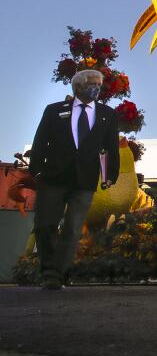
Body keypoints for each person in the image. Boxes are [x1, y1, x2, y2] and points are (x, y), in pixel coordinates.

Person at [27, 69, 120, 289]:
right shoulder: (54, 110)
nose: (96, 87)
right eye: (91, 83)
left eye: (99, 84)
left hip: (85, 180)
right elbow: (40, 141)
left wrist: (109, 176)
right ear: (78, 86)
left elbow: (110, 148)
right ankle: (49, 267)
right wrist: (37, 170)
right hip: (53, 177)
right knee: (45, 225)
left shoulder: (107, 114)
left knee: (73, 228)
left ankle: (55, 274)